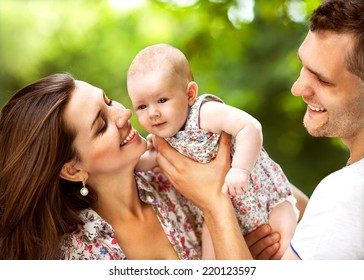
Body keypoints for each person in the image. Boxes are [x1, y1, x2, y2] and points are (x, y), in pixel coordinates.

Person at [156, 0, 364, 260]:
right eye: (303, 66)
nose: (298, 88)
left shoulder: (345, 194)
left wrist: (214, 202)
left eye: (322, 79)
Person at [0, 72, 270, 260]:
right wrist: (215, 205)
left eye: (107, 101)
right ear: (72, 169)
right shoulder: (80, 254)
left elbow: (295, 200)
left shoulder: (173, 168)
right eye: (102, 125)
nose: (125, 113)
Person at [126, 43, 299, 259]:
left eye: (162, 100)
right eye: (142, 107)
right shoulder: (163, 141)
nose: (152, 113)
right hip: (219, 211)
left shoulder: (204, 113)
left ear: (190, 94)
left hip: (265, 198)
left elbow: (250, 127)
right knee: (209, 260)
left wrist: (240, 170)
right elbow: (141, 163)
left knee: (286, 251)